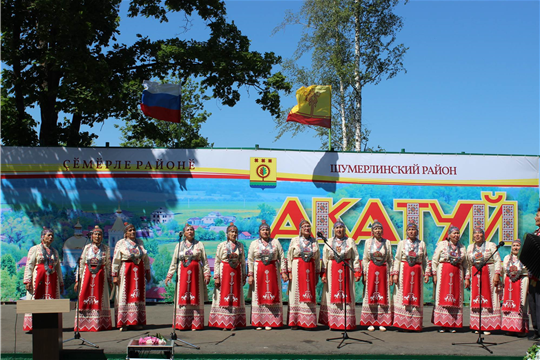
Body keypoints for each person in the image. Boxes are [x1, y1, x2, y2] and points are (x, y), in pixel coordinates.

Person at [165, 224, 211, 331]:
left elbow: (205, 261)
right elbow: (174, 262)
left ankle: (195, 324)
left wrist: (206, 274)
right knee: (183, 296)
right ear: (184, 233)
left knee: (196, 296)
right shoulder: (179, 245)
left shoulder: (199, 244)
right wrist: (169, 275)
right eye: (188, 230)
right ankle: (182, 324)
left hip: (196, 275)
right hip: (183, 274)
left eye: (192, 230)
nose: (190, 232)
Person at [319, 220, 361, 330]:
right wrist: (323, 273)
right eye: (337, 227)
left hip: (346, 270)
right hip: (332, 271)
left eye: (341, 227)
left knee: (347, 295)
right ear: (334, 230)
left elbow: (355, 257)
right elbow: (324, 258)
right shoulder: (329, 241)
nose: (339, 229)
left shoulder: (350, 241)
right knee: (331, 295)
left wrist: (357, 271)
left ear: (344, 229)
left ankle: (346, 323)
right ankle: (333, 322)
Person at [247, 220, 288, 330]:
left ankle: (271, 321)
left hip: (273, 270)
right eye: (263, 230)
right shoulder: (254, 243)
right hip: (258, 271)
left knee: (273, 293)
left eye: (267, 230)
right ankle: (259, 322)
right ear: (259, 232)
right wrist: (250, 275)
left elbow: (282, 257)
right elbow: (250, 259)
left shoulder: (275, 243)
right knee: (258, 295)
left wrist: (283, 272)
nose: (265, 232)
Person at [23, 227, 64, 332]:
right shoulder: (35, 249)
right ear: (42, 237)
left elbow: (58, 267)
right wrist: (27, 280)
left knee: (51, 300)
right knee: (37, 299)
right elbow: (29, 265)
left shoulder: (54, 252)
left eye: (52, 236)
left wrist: (61, 282)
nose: (50, 237)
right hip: (38, 279)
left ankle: (50, 324)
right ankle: (34, 325)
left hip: (52, 280)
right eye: (48, 235)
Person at [391, 222, 431, 331]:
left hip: (417, 273)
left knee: (416, 296)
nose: (411, 232)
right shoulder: (402, 243)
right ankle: (402, 323)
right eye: (409, 230)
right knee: (402, 296)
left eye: (413, 230)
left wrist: (426, 273)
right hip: (404, 272)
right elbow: (398, 259)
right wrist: (395, 274)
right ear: (406, 232)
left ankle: (415, 324)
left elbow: (425, 260)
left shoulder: (421, 244)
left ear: (417, 232)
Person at [112, 223, 151, 331]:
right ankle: (123, 322)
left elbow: (145, 259)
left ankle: (135, 321)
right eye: (129, 230)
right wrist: (115, 275)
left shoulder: (140, 243)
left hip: (139, 272)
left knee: (137, 296)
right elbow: (116, 260)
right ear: (125, 233)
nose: (132, 232)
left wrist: (147, 271)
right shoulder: (121, 243)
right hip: (126, 271)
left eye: (133, 230)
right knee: (125, 295)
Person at [208, 223, 247, 330]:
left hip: (236, 273)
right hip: (223, 272)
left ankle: (234, 322)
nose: (234, 234)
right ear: (227, 233)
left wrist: (244, 275)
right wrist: (216, 277)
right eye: (231, 232)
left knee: (235, 296)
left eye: (235, 232)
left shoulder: (240, 246)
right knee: (222, 296)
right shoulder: (221, 245)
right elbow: (217, 261)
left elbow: (243, 261)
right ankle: (223, 323)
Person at [74, 225, 113, 331]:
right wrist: (78, 280)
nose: (98, 236)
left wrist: (110, 280)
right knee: (84, 298)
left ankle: (100, 324)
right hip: (87, 277)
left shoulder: (106, 249)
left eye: (100, 234)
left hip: (101, 278)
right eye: (95, 234)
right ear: (91, 236)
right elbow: (81, 264)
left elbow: (109, 265)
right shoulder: (87, 248)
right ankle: (84, 324)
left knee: (101, 299)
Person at [465, 227, 501, 335]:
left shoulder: (491, 245)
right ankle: (477, 325)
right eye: (475, 234)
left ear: (483, 235)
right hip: (476, 275)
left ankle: (488, 325)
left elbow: (497, 260)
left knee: (488, 297)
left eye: (479, 233)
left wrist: (497, 275)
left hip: (488, 274)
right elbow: (468, 264)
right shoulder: (470, 247)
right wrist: (467, 278)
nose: (477, 235)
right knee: (476, 299)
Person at [431, 225, 467, 333]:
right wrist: (435, 274)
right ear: (449, 235)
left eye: (457, 233)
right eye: (454, 233)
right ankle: (442, 324)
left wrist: (467, 278)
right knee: (442, 297)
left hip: (457, 274)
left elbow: (466, 264)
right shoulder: (442, 245)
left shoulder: (462, 247)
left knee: (455, 298)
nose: (456, 235)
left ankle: (452, 324)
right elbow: (434, 260)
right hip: (443, 273)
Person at [287, 219, 321, 329]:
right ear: (300, 229)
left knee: (309, 293)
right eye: (304, 226)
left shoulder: (314, 241)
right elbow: (289, 256)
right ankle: (295, 322)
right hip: (297, 269)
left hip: (310, 270)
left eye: (308, 226)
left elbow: (317, 259)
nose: (306, 228)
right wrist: (289, 272)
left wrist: (317, 273)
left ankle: (308, 321)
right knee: (295, 295)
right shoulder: (295, 240)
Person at [360, 220, 393, 331]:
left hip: (383, 271)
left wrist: (391, 275)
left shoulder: (387, 242)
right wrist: (364, 273)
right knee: (371, 294)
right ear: (372, 231)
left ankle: (382, 321)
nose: (378, 231)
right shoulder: (368, 242)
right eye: (375, 229)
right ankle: (371, 321)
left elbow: (390, 259)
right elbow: (365, 258)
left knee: (383, 295)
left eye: (379, 229)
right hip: (371, 271)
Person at [501, 239, 529, 336]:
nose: (516, 248)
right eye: (514, 246)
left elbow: (526, 270)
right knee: (509, 305)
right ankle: (510, 328)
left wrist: (515, 271)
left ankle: (521, 329)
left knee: (521, 305)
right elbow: (505, 268)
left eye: (518, 246)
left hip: (521, 283)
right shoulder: (507, 258)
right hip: (509, 284)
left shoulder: (525, 258)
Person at [529, 208, 540, 341]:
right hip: (533, 275)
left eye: (537, 215)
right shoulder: (535, 234)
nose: (535, 218)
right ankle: (536, 329)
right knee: (532, 303)